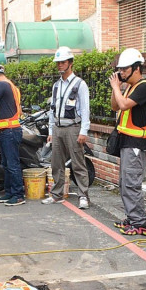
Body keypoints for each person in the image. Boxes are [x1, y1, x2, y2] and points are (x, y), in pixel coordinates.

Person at [109, 48, 146, 235]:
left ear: (137, 68)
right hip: (126, 142)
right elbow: (115, 106)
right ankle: (132, 217)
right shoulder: (130, 87)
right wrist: (117, 88)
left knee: (131, 183)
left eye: (124, 69)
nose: (121, 73)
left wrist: (115, 87)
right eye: (120, 69)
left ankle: (140, 222)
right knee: (124, 182)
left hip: (136, 144)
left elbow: (123, 105)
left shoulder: (144, 87)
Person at [43, 46, 91, 209]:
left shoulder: (80, 84)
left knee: (78, 163)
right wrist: (50, 131)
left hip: (73, 128)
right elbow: (52, 109)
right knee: (56, 163)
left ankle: (83, 195)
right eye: (58, 63)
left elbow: (85, 109)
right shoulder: (56, 85)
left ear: (70, 63)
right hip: (58, 128)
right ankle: (57, 195)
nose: (59, 65)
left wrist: (84, 131)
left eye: (62, 62)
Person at [0, 62, 25, 206]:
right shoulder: (12, 86)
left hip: (9, 131)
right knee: (7, 164)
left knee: (12, 164)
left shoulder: (1, 85)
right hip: (8, 131)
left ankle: (18, 195)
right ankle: (9, 193)